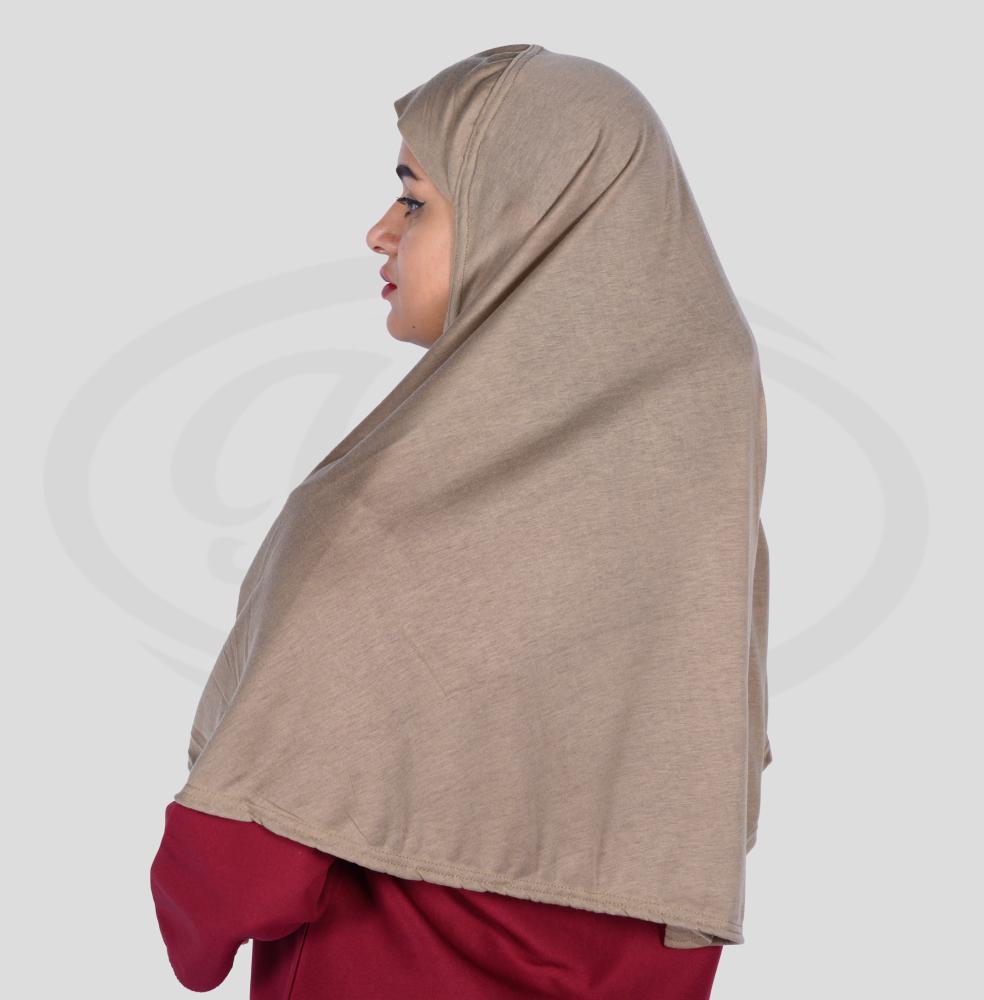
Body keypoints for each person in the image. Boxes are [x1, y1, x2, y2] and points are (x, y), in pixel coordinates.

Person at [151, 42, 770, 998]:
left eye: (414, 199)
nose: (378, 232)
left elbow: (242, 869)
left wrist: (191, 921)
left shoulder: (386, 522)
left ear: (520, 217)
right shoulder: (701, 531)